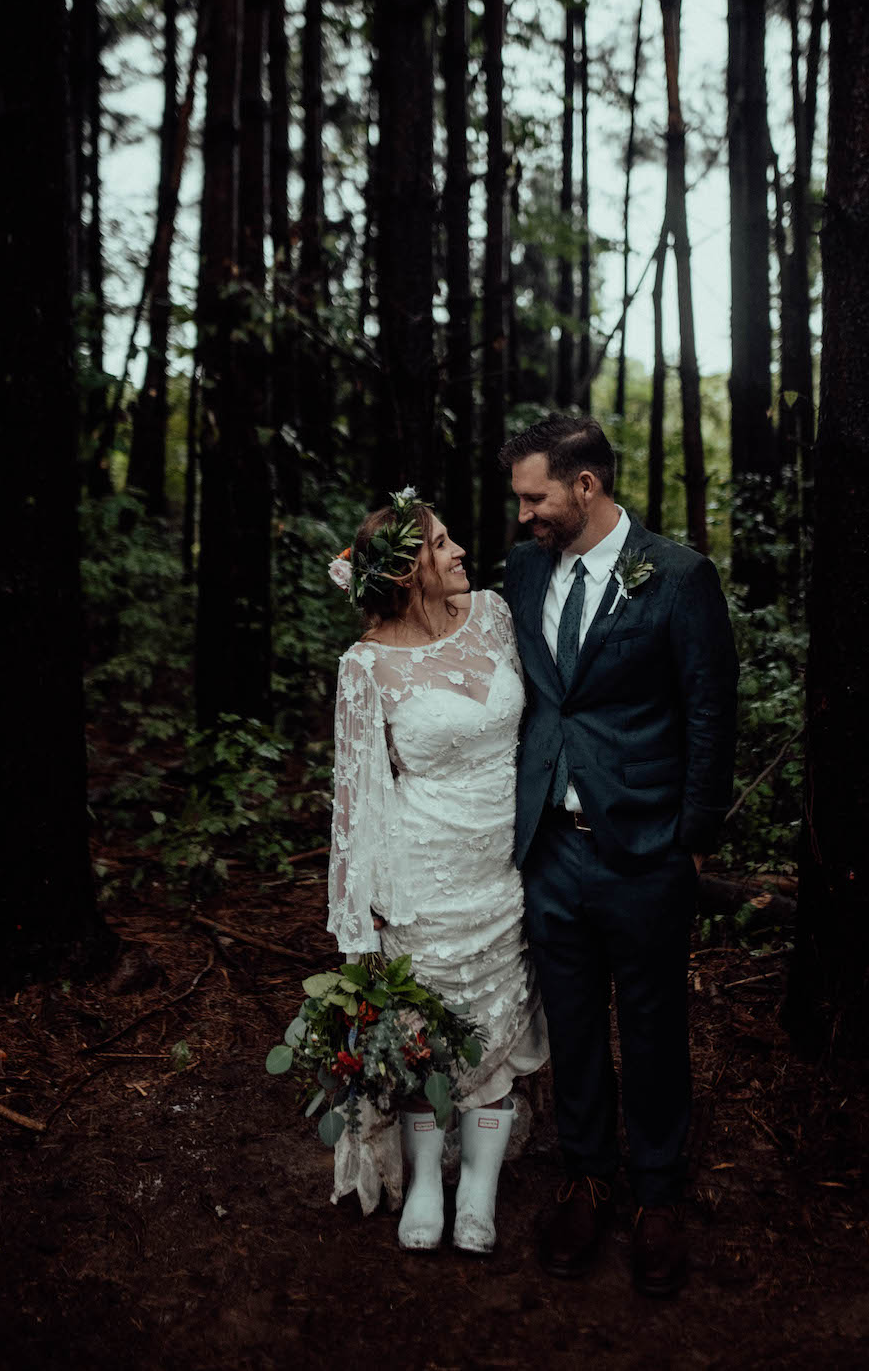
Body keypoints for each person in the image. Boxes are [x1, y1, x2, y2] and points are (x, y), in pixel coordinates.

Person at [499, 415, 737, 1296]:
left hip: (643, 846)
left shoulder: (678, 578)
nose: (524, 516)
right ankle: (585, 1175)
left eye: (536, 497)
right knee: (571, 1020)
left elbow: (711, 708)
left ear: (586, 486)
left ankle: (658, 1193)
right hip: (549, 848)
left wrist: (692, 840)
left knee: (652, 1023)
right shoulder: (524, 570)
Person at [325, 488, 548, 1254]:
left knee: (497, 1025)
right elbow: (356, 798)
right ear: (409, 570)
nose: (459, 552)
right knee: (425, 1034)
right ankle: (425, 1181)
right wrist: (367, 906)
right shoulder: (365, 666)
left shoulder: (494, 616)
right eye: (442, 544)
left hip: (507, 865)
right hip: (423, 874)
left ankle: (478, 1191)